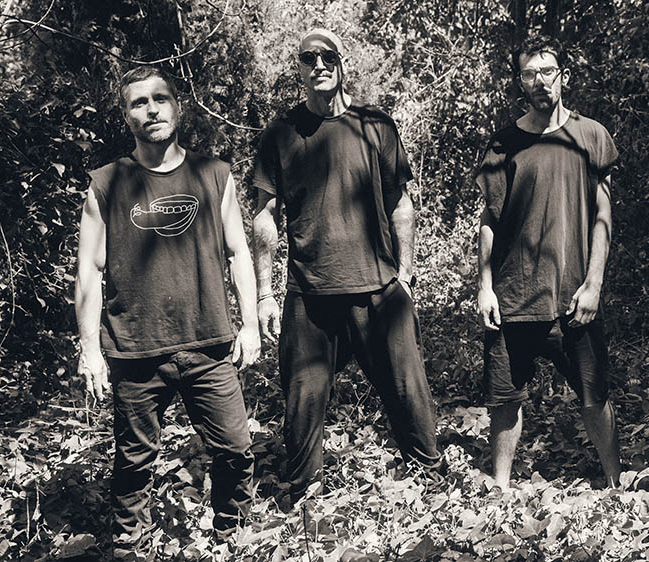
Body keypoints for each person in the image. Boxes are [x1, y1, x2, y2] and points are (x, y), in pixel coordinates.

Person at [74, 67, 260, 558]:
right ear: (126, 116)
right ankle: (129, 544)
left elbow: (239, 252)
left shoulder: (214, 175)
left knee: (236, 449)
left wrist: (250, 324)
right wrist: (90, 349)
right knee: (134, 461)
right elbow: (89, 270)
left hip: (208, 342)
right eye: (139, 102)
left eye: (160, 98)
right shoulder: (107, 183)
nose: (151, 109)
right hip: (136, 347)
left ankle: (231, 534)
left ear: (177, 106)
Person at [251, 28, 442, 499]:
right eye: (308, 58)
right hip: (309, 293)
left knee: (409, 393)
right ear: (298, 69)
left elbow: (400, 204)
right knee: (302, 402)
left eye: (327, 56)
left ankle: (431, 482)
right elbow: (264, 216)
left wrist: (406, 274)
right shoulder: (281, 134)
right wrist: (264, 293)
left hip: (378, 288)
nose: (318, 65)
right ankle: (303, 495)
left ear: (341, 63)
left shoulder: (375, 125)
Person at [475, 34, 622, 493]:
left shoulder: (591, 136)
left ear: (564, 77)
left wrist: (594, 283)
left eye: (548, 71)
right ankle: (500, 490)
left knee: (594, 395)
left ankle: (616, 484)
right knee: (505, 400)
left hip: (574, 295)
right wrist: (484, 286)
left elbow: (603, 215)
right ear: (520, 81)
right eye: (529, 74)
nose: (540, 81)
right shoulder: (504, 143)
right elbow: (489, 220)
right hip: (514, 294)